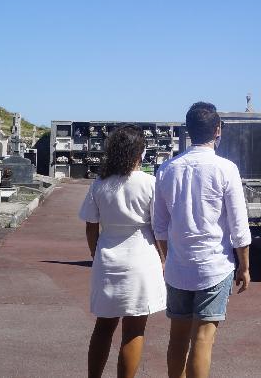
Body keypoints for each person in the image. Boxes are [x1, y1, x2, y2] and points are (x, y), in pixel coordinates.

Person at [154, 102, 251, 378]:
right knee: (203, 339)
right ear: (217, 130)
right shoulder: (226, 169)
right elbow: (239, 226)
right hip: (214, 265)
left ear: (188, 130)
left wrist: (168, 256)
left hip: (178, 266)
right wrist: (244, 266)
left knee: (178, 337)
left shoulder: (167, 169)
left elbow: (159, 225)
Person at [79, 125, 166, 378]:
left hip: (107, 256)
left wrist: (97, 255)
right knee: (134, 329)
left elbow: (90, 226)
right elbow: (159, 228)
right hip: (141, 257)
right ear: (139, 151)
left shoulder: (100, 184)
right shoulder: (150, 183)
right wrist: (164, 258)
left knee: (103, 326)